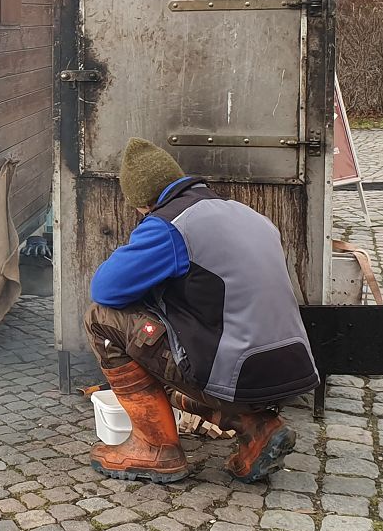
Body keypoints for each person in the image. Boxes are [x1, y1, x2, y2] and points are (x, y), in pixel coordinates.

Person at [84, 138, 319, 484]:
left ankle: (154, 448)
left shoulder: (169, 225)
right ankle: (257, 427)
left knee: (101, 319)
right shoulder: (247, 214)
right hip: (292, 371)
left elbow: (106, 289)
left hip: (238, 375)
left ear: (142, 203)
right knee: (182, 353)